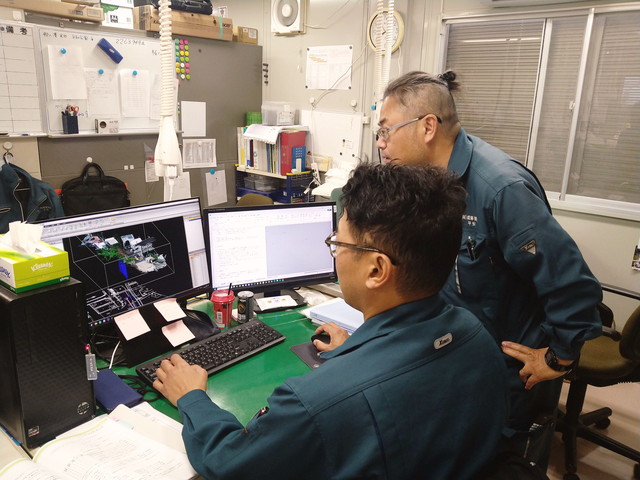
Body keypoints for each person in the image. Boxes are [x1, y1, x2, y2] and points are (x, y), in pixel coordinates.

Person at [154, 163, 509, 480]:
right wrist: (358, 352)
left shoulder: (312, 402)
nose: (334, 252)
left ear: (376, 270)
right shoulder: (476, 335)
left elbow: (230, 463)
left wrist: (192, 398)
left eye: (338, 243)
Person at [362, 70, 602, 467]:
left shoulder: (501, 189)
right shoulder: (424, 183)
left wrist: (559, 358)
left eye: (386, 130)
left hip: (508, 372)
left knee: (504, 464)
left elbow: (572, 285)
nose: (380, 143)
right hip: (455, 358)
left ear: (427, 127)